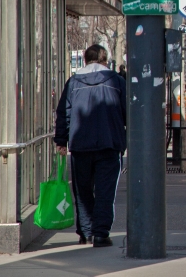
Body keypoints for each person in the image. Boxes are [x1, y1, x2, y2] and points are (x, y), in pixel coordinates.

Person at [54, 44, 127, 248]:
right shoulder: (116, 81)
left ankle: (85, 232)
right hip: (109, 143)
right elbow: (127, 111)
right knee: (106, 191)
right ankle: (101, 234)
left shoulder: (73, 82)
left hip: (80, 145)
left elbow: (64, 113)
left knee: (83, 191)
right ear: (105, 60)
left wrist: (61, 140)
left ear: (85, 60)